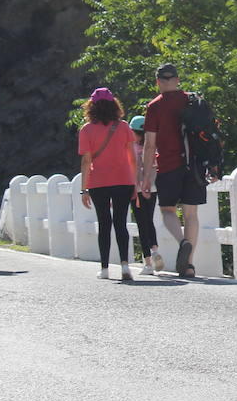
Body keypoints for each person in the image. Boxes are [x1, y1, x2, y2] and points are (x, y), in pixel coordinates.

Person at [142, 62, 204, 277]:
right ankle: (189, 265)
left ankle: (182, 242)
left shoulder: (155, 106)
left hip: (168, 164)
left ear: (158, 82)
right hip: (195, 165)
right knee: (191, 214)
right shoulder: (194, 100)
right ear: (178, 79)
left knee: (168, 210)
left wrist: (146, 176)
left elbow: (150, 144)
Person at [78, 88, 138, 282]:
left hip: (98, 182)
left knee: (104, 223)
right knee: (121, 223)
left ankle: (104, 268)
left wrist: (84, 188)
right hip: (123, 180)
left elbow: (86, 161)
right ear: (114, 105)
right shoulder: (124, 127)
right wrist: (134, 183)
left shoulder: (86, 130)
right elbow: (132, 158)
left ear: (91, 107)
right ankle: (125, 266)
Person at [129, 115, 164, 276]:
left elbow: (133, 169)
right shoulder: (153, 148)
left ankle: (148, 263)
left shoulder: (132, 149)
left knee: (142, 225)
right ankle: (155, 250)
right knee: (149, 220)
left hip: (138, 189)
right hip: (154, 188)